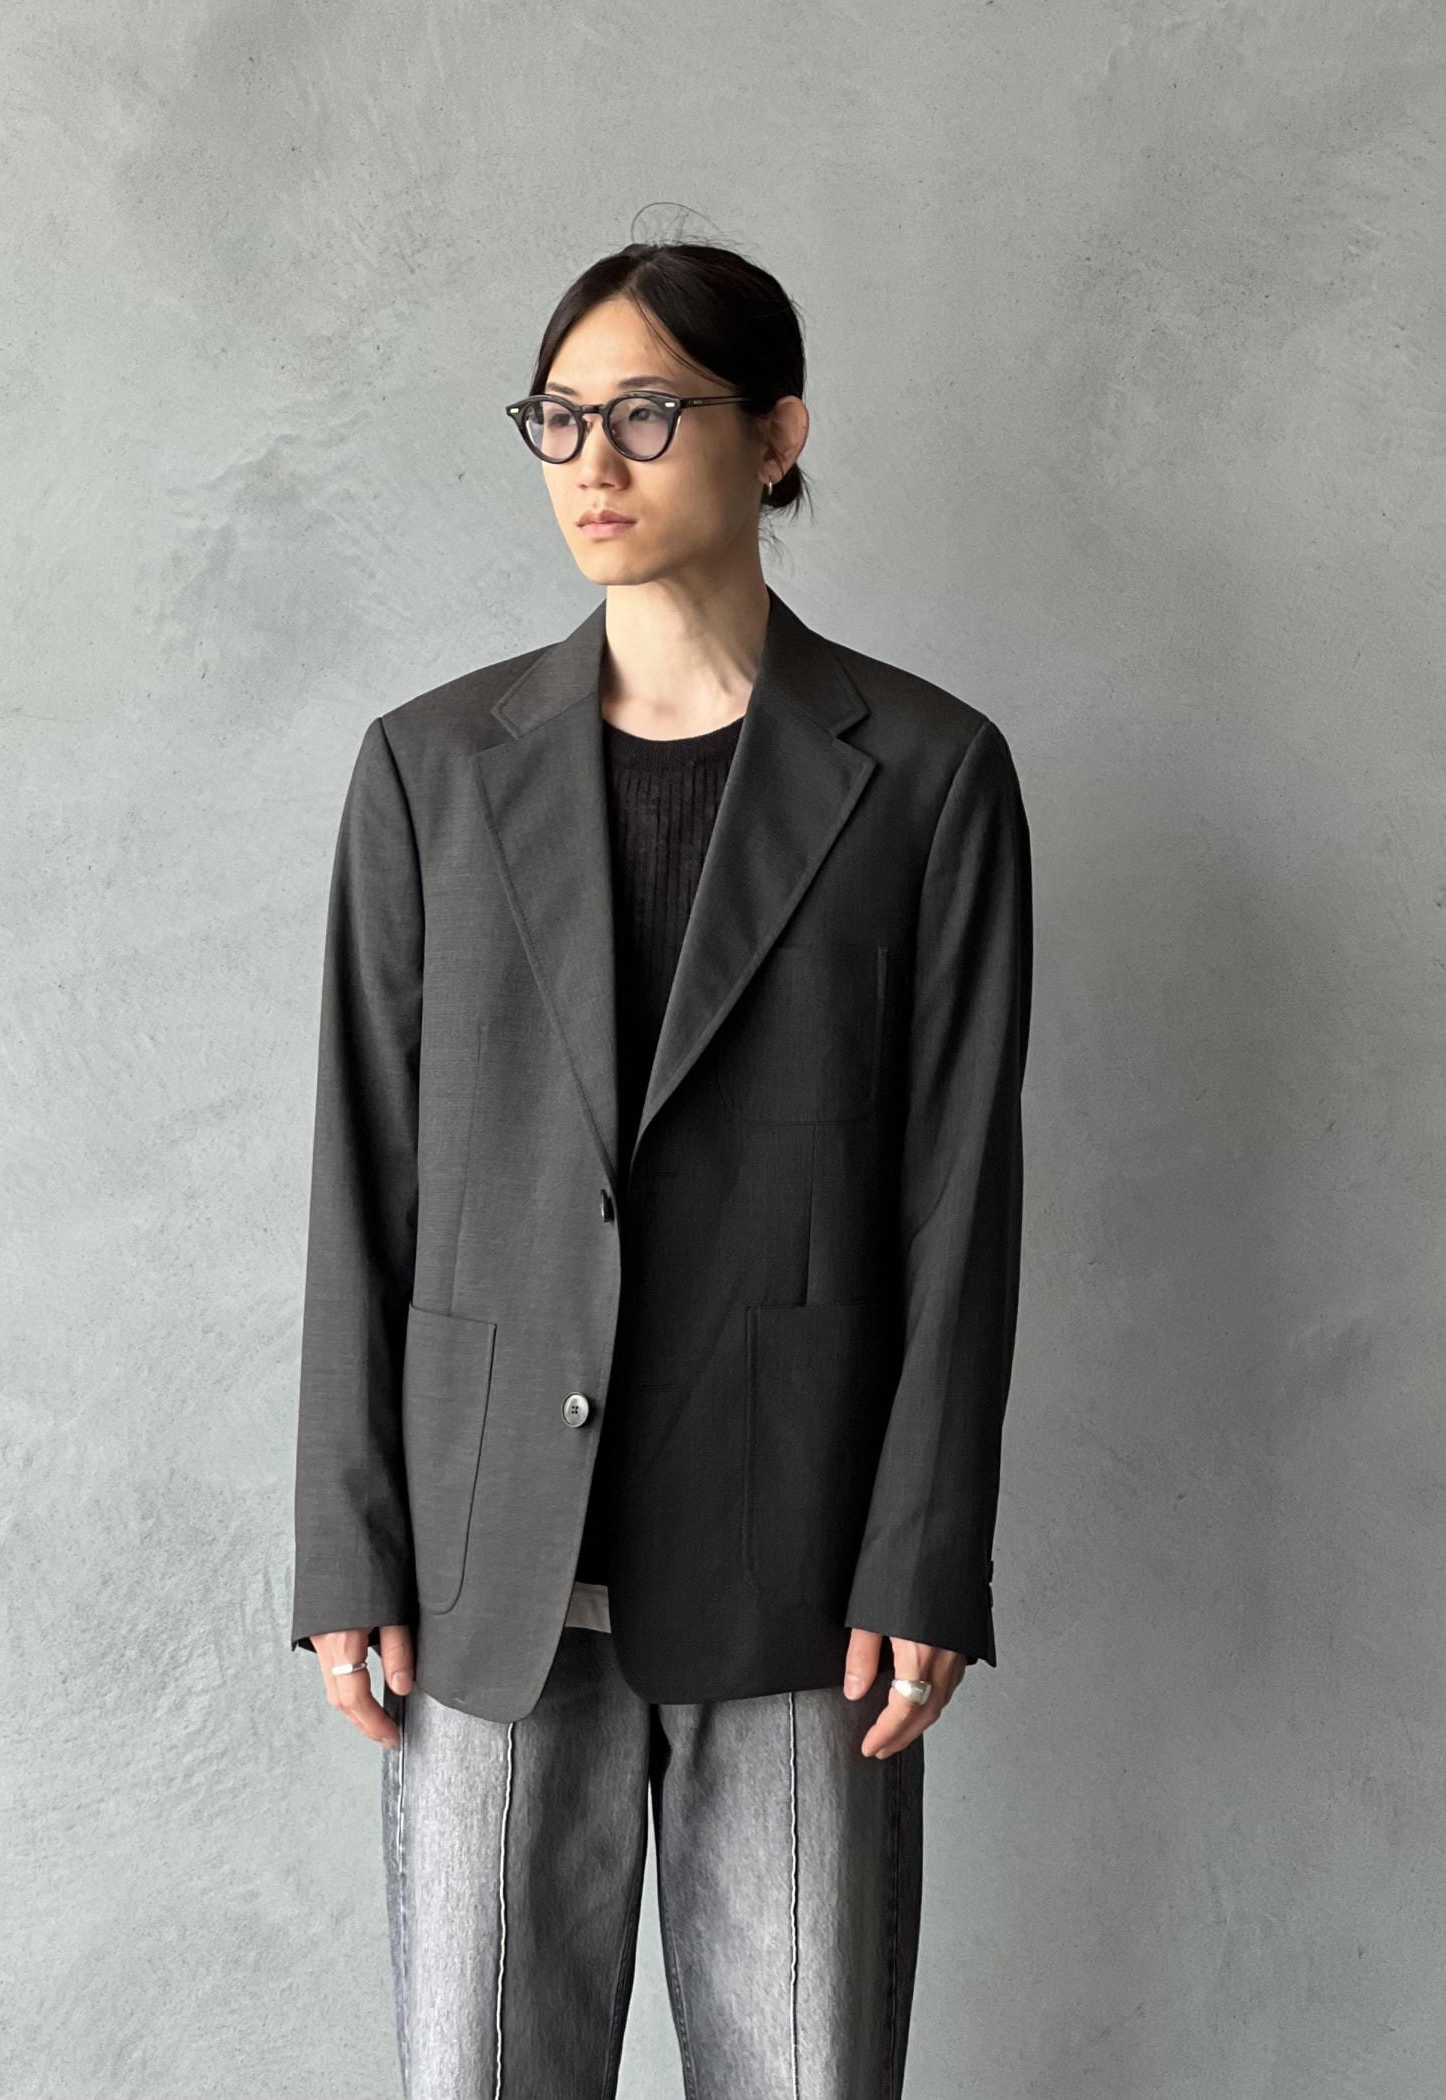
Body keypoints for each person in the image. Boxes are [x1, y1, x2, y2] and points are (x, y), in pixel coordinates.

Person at [291, 236, 1033, 2098]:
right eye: (558, 419)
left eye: (644, 413)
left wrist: (925, 1551)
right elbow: (364, 1177)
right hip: (486, 1583)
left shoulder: (927, 774)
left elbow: (959, 1193)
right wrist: (345, 1542)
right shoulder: (430, 771)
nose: (591, 464)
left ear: (777, 436)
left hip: (802, 1584)